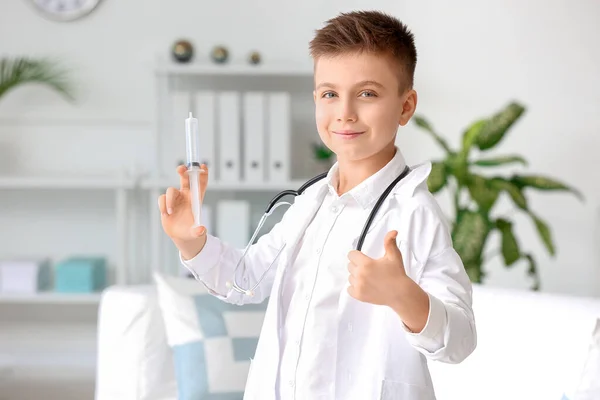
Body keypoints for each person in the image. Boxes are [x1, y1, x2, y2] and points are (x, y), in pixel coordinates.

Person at [158, 9, 476, 400]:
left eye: (367, 93)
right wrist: (191, 241)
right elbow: (245, 280)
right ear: (316, 100)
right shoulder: (309, 202)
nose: (344, 112)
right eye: (330, 94)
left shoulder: (415, 212)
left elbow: (460, 340)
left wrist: (402, 294)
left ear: (406, 106)